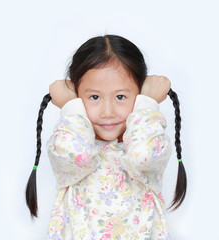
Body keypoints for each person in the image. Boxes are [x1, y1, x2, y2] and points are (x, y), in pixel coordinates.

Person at [26, 35, 186, 239]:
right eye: (94, 97)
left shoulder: (148, 141)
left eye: (121, 97)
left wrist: (146, 104)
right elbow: (78, 156)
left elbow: (142, 156)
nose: (107, 112)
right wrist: (72, 108)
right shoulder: (67, 143)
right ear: (76, 96)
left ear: (139, 95)